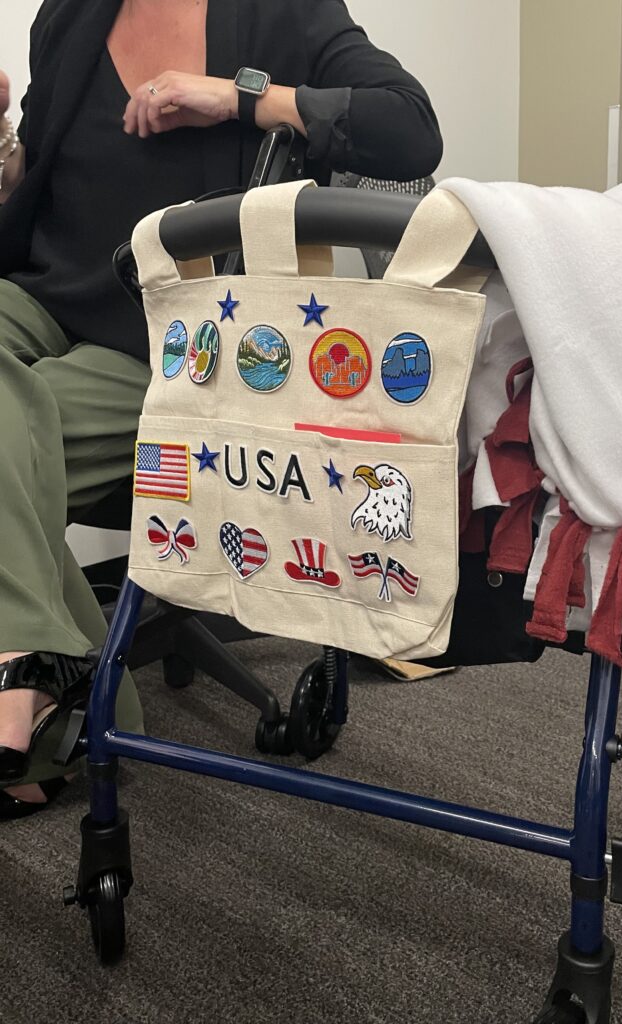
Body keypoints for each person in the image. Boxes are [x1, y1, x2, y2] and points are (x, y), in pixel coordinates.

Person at [0, 0, 443, 817]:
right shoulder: (67, 17)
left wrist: (240, 96)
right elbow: (38, 195)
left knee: (9, 436)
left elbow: (410, 129)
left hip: (170, 345)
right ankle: (39, 670)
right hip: (39, 302)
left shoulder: (279, 11)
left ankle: (73, 706)